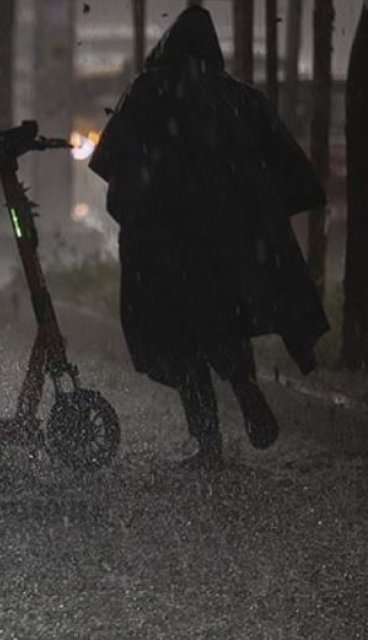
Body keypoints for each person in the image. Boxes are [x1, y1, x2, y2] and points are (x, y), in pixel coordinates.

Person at [89, 6, 329, 468]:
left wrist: (138, 215)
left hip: (164, 240)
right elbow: (287, 169)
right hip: (224, 244)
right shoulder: (239, 97)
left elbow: (115, 163)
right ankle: (245, 386)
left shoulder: (147, 90)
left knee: (178, 341)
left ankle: (209, 443)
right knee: (223, 322)